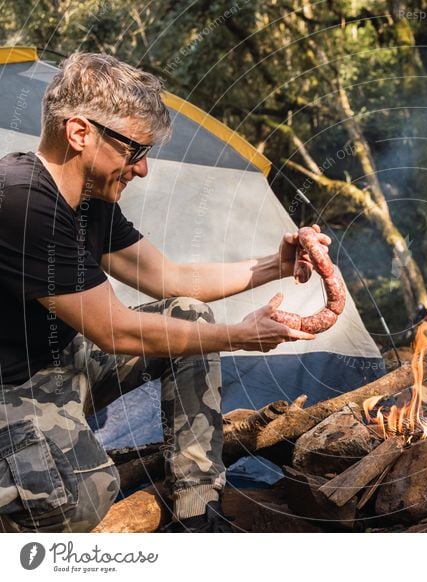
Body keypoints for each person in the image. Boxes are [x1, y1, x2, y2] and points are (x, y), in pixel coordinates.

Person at [0, 53, 326, 532]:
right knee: (83, 496)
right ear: (79, 134)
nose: (144, 169)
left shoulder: (89, 198)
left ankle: (196, 510)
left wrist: (274, 266)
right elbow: (118, 332)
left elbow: (172, 280)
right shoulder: (20, 200)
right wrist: (240, 336)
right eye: (135, 151)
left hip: (63, 361)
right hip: (13, 388)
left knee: (188, 316)